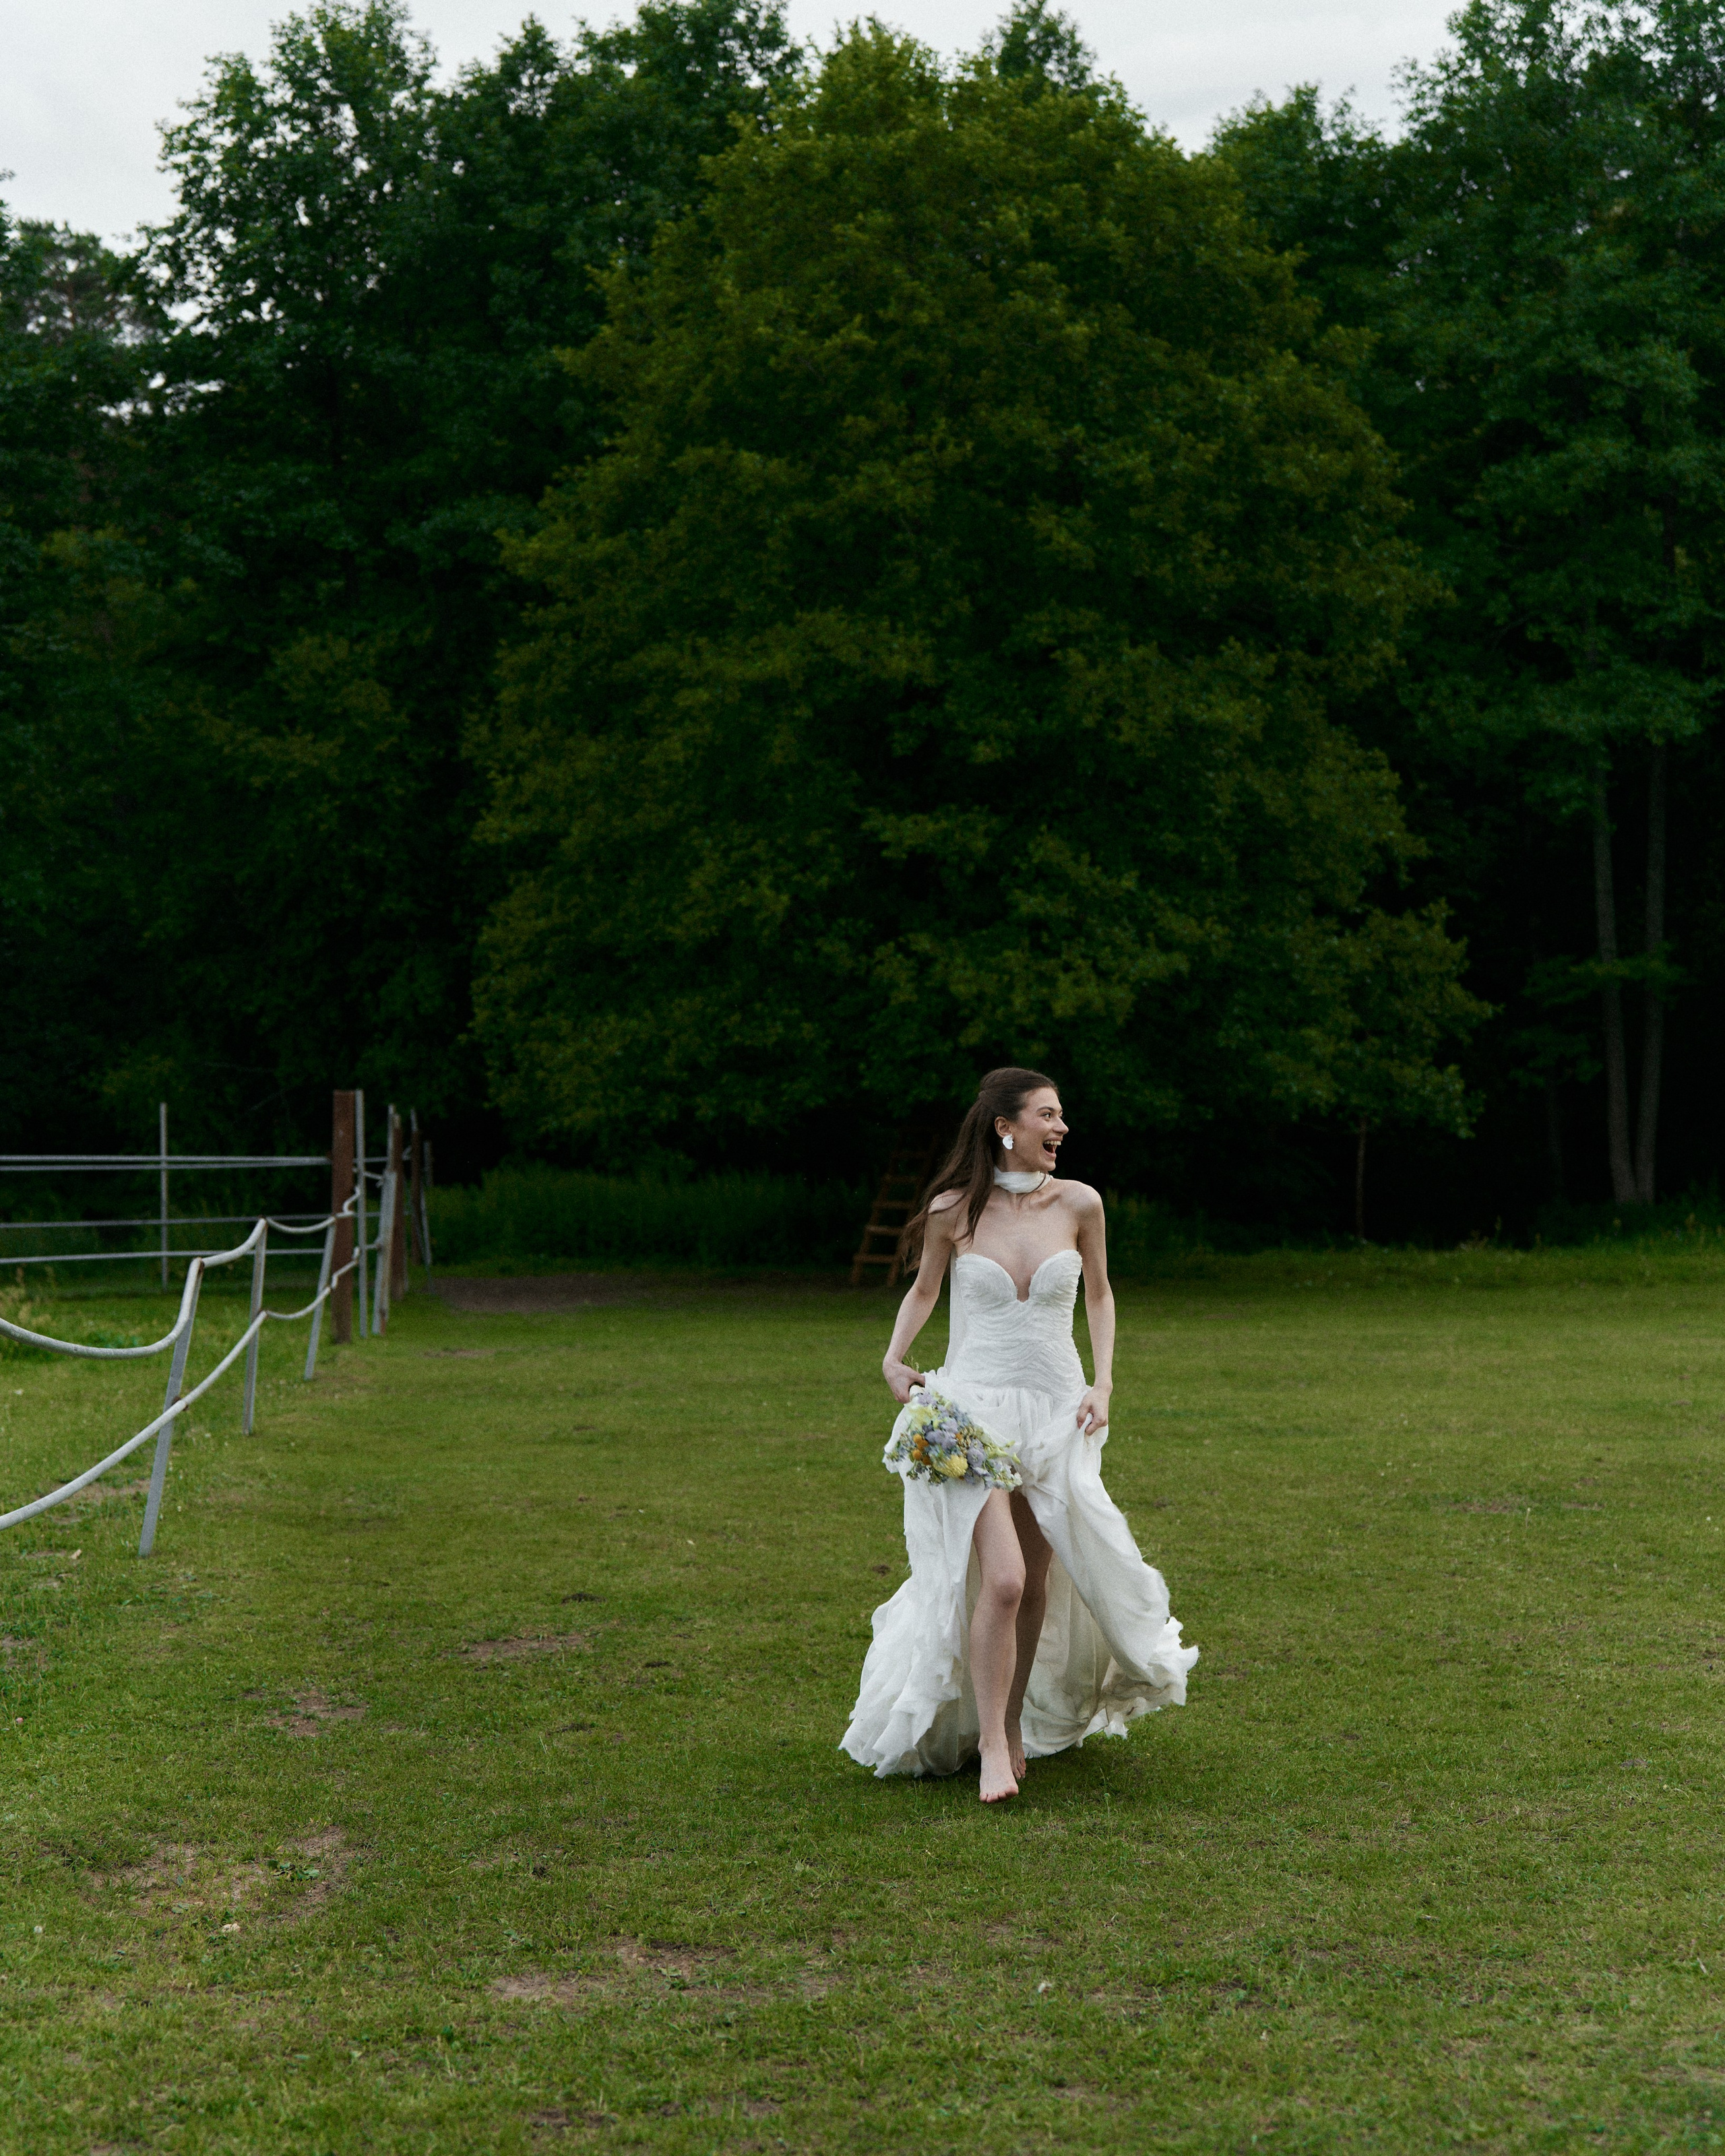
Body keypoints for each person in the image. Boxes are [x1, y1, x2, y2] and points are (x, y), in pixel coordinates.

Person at [840, 1067, 1197, 1802]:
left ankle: (1007, 1722)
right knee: (1000, 1579)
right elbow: (924, 1288)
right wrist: (891, 1358)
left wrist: (1103, 1383)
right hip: (969, 1414)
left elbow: (1098, 1293)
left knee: (1034, 1581)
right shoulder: (952, 1210)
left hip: (1055, 1413)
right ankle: (996, 1749)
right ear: (1006, 1125)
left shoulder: (1080, 1203)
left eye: (1061, 1114)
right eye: (1047, 1114)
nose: (1061, 1127)